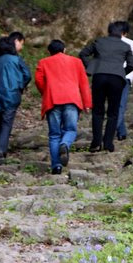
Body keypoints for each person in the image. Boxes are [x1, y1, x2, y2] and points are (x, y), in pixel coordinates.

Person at [35, 39, 92, 175]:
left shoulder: (44, 62)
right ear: (64, 49)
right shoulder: (76, 62)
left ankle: (56, 166)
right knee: (70, 130)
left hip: (52, 100)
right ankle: (65, 144)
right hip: (72, 99)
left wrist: (46, 91)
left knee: (54, 134)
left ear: (49, 52)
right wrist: (87, 103)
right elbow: (83, 84)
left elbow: (38, 80)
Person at [79, 21, 133, 153]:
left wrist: (92, 67)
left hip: (99, 76)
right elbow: (131, 65)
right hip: (116, 79)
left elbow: (83, 54)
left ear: (109, 31)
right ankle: (108, 143)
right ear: (123, 33)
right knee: (113, 112)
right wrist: (121, 73)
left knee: (98, 111)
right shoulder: (126, 46)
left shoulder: (99, 42)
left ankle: (96, 143)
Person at [0, 32, 31, 165]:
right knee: (6, 123)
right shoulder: (16, 60)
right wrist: (20, 86)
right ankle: (1, 152)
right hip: (12, 95)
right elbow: (27, 75)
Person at [115, 21, 133, 141]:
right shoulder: (131, 43)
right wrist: (129, 72)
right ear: (125, 32)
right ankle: (115, 130)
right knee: (120, 104)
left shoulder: (104, 42)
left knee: (114, 104)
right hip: (124, 77)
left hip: (108, 75)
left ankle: (121, 131)